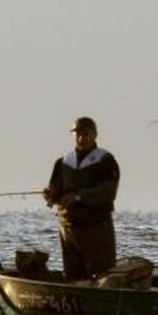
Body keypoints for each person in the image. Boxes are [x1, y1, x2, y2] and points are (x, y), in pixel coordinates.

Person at [42, 117, 120, 281]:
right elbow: (55, 193)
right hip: (68, 229)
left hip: (96, 227)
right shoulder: (62, 162)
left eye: (86, 134)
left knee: (102, 276)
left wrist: (78, 196)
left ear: (95, 135)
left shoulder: (105, 160)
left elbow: (108, 192)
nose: (81, 138)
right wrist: (50, 196)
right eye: (78, 134)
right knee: (73, 278)